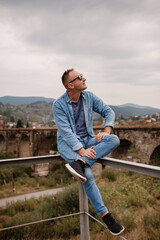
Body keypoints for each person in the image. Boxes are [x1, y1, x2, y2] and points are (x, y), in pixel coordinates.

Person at [53, 68, 125, 235]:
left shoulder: (89, 97)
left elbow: (108, 111)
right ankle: (107, 217)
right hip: (69, 145)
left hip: (89, 139)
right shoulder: (58, 105)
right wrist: (81, 150)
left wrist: (106, 131)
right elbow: (66, 132)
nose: (84, 78)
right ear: (70, 85)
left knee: (114, 139)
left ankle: (79, 163)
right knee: (88, 175)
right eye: (80, 77)